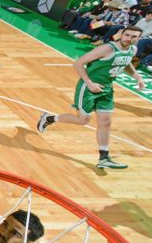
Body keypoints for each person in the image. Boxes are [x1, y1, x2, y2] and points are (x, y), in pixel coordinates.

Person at [37, 26, 145, 169]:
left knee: (105, 122)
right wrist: (90, 83)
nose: (129, 39)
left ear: (138, 39)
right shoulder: (107, 49)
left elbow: (126, 62)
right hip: (88, 87)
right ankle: (49, 118)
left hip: (107, 88)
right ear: (121, 34)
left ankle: (104, 157)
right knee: (83, 120)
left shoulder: (132, 50)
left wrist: (136, 76)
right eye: (127, 35)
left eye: (133, 37)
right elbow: (78, 63)